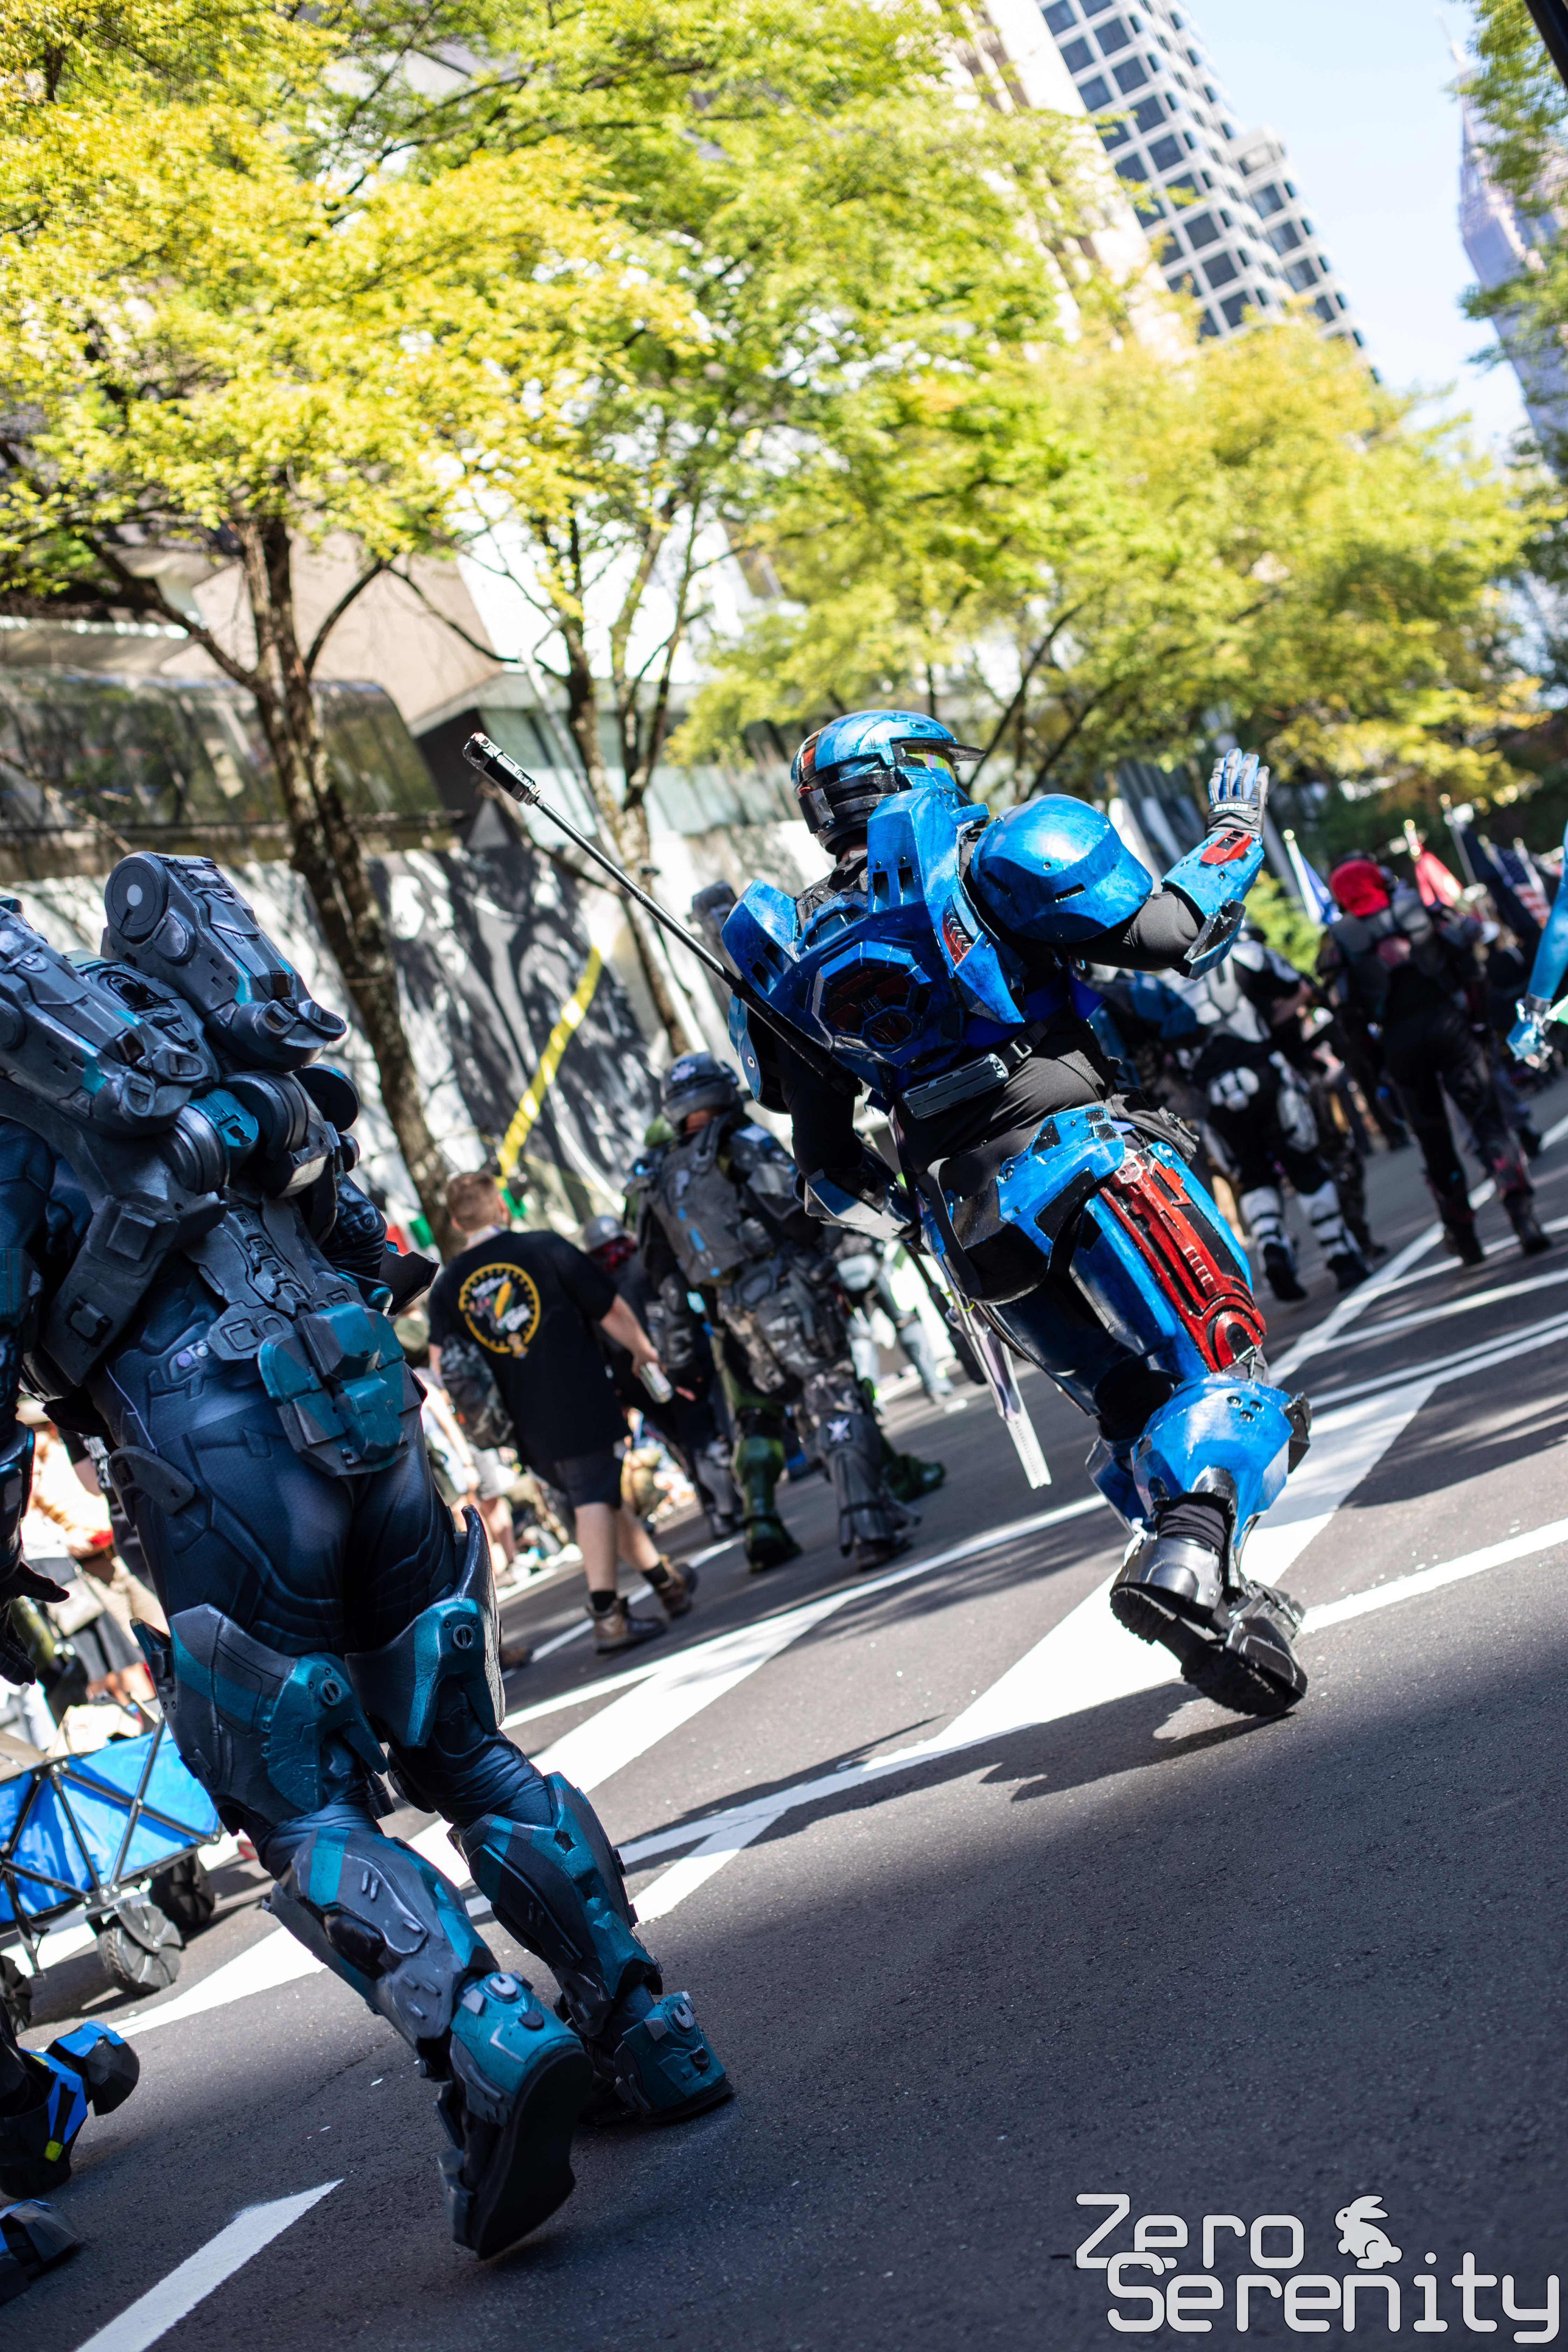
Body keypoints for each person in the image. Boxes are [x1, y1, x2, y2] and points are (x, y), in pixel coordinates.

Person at [0, 858, 727, 2263]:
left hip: (207, 1456)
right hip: (365, 1407)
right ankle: (646, 2026)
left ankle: (482, 2036)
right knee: (466, 1748)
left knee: (297, 1801)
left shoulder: (20, 1112)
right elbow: (374, 1248)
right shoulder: (203, 1031)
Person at [721, 712, 1314, 1715]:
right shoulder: (995, 854)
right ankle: (1188, 1555)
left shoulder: (792, 953)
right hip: (1087, 1162)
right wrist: (1234, 830)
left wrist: (917, 1227)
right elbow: (1174, 935)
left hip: (969, 1229)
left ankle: (1221, 1607)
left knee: (1131, 1407)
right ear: (912, 771)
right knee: (1226, 1375)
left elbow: (827, 1172)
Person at [628, 1053, 944, 1574]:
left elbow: (663, 1278)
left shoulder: (657, 1175)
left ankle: (868, 1505)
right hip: (788, 1290)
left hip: (735, 1315)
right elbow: (800, 1216)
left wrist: (679, 1356)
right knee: (836, 1396)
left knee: (798, 1410)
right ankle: (869, 1524)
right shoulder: (741, 1142)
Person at [428, 1174, 698, 1653]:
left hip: (523, 1421)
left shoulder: (449, 1286)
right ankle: (608, 1615)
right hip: (578, 1395)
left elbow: (440, 1362)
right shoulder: (543, 1248)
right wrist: (643, 1350)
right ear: (501, 1206)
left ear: (454, 1221)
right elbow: (609, 1308)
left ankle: (666, 1582)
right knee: (594, 1495)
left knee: (599, 1495)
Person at [1324, 854, 1547, 1263]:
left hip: (1400, 1043)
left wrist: (1377, 1066)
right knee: (1487, 1121)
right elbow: (1469, 967)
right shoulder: (1421, 910)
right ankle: (1523, 1217)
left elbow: (1348, 1018)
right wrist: (1479, 1023)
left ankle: (1465, 1239)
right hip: (1450, 1027)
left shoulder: (1341, 939)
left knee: (1434, 1143)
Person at [578, 1213, 741, 1541]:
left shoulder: (596, 1284)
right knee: (699, 1434)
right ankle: (724, 1509)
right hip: (669, 1363)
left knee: (685, 1439)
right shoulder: (643, 1265)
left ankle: (719, 1505)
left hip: (639, 1373)